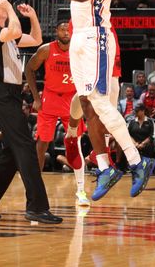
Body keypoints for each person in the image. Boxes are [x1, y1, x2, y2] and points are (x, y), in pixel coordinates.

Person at [19, 0, 155, 202]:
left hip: (97, 39)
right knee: (87, 103)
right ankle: (107, 167)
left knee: (99, 103)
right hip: (80, 39)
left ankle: (138, 161)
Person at [0, 0, 61, 224]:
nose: (2, 3)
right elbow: (14, 30)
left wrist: (33, 17)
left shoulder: (7, 34)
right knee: (26, 147)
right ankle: (37, 208)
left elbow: (37, 39)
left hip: (11, 94)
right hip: (1, 93)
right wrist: (10, 8)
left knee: (12, 153)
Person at [24, 21, 88, 206]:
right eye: (62, 29)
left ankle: (81, 190)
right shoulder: (46, 49)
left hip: (72, 99)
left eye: (68, 29)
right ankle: (34, 187)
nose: (66, 32)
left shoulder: (79, 51)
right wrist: (36, 97)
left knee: (75, 143)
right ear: (56, 32)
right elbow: (29, 68)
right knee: (42, 143)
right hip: (50, 97)